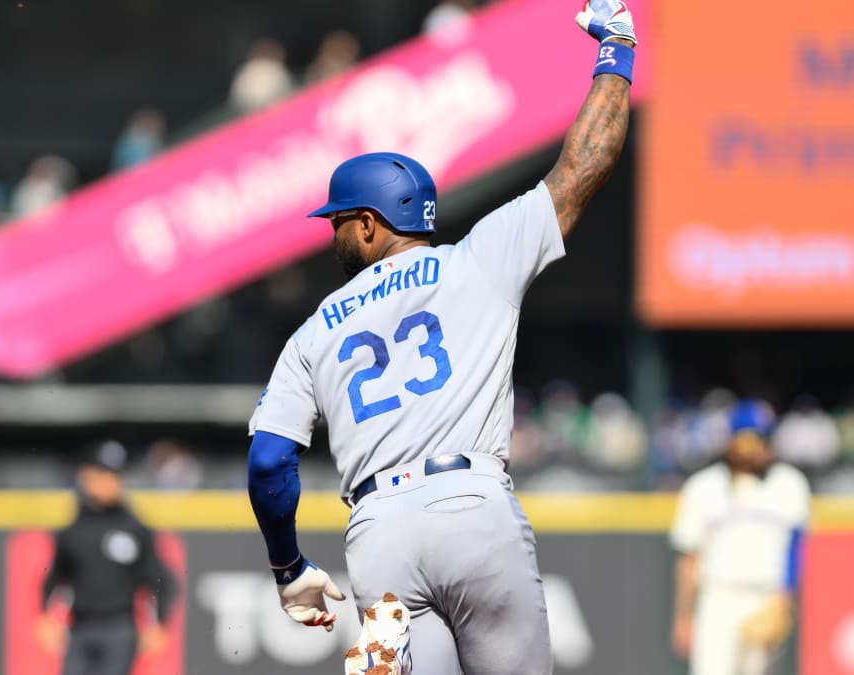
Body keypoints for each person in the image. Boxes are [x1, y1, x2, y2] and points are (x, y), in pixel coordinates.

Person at [244, 2, 637, 673]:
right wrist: (617, 53)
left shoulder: (313, 332)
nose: (333, 232)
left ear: (369, 223)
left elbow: (268, 463)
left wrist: (287, 565)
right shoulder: (476, 259)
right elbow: (581, 168)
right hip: (472, 506)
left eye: (339, 220)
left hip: (379, 531)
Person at [669, 400, 811, 675]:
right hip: (717, 597)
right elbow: (689, 556)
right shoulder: (704, 486)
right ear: (733, 440)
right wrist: (684, 616)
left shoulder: (789, 482)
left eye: (765, 439)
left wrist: (786, 596)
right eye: (752, 439)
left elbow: (795, 545)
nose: (760, 447)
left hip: (765, 597)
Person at [38, 441, 179, 675]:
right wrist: (44, 615)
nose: (110, 482)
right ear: (86, 476)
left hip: (119, 627)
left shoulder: (134, 529)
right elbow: (55, 575)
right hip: (80, 626)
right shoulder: (73, 530)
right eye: (103, 473)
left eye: (116, 475)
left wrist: (160, 623)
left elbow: (160, 579)